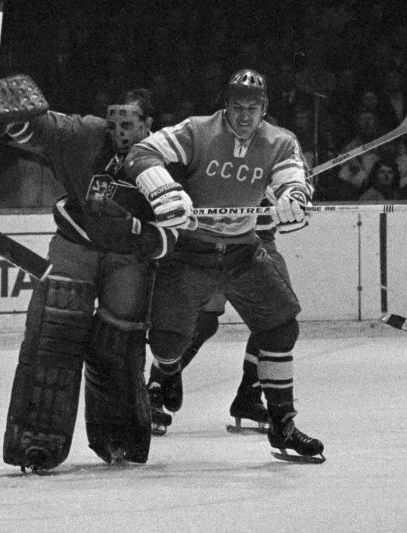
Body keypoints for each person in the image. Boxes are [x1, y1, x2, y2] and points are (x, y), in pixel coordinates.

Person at [125, 69, 325, 463]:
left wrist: (293, 198)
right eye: (238, 107)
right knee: (166, 340)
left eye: (253, 108)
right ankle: (165, 372)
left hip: (243, 252)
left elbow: (294, 181)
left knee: (281, 327)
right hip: (191, 253)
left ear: (264, 108)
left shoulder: (280, 141)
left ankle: (282, 423)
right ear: (226, 105)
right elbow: (140, 153)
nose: (245, 116)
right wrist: (163, 189)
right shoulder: (197, 131)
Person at [0, 82, 186, 472]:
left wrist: (138, 233)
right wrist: (12, 115)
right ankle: (37, 438)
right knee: (54, 333)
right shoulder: (86, 134)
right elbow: (39, 129)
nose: (119, 132)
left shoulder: (167, 157)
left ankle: (120, 438)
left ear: (149, 124)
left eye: (129, 123)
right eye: (114, 122)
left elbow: (172, 235)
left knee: (120, 348)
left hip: (128, 260)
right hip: (75, 245)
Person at [148, 207, 283, 436]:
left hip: (257, 236)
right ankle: (157, 384)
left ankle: (249, 394)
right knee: (204, 321)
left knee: (275, 320)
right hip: (216, 237)